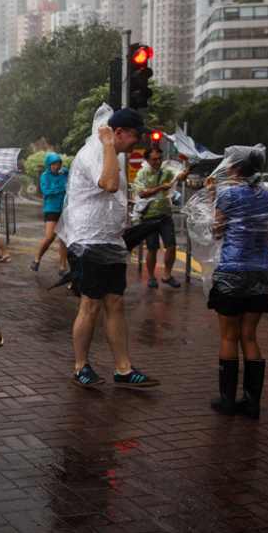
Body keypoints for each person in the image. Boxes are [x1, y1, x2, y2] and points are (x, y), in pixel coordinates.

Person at [56, 107, 158, 389]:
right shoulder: (93, 153)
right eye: (135, 136)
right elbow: (110, 184)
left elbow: (116, 197)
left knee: (115, 302)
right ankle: (80, 366)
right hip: (88, 241)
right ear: (118, 133)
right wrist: (109, 145)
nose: (137, 142)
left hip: (110, 241)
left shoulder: (114, 155)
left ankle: (123, 369)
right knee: (90, 304)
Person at [206, 147, 268, 419]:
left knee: (229, 336)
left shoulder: (228, 193)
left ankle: (226, 401)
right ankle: (252, 403)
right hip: (262, 271)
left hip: (233, 270)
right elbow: (265, 230)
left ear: (234, 168)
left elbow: (217, 230)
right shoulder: (267, 195)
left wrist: (213, 200)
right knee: (249, 335)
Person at [133, 146, 188, 288]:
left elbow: (179, 175)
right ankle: (151, 276)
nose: (157, 162)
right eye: (154, 159)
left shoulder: (166, 171)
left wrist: (184, 174)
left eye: (159, 159)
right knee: (152, 248)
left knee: (171, 246)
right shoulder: (142, 174)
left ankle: (167, 275)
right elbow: (141, 193)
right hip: (149, 216)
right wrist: (160, 188)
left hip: (165, 214)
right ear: (147, 159)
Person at [31, 152, 69, 274]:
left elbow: (73, 178)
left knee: (63, 238)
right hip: (51, 209)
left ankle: (63, 266)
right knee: (50, 237)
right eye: (53, 164)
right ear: (48, 165)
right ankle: (37, 259)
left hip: (64, 208)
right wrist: (61, 188)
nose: (56, 166)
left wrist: (66, 172)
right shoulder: (45, 176)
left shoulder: (64, 173)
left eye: (58, 164)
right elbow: (46, 191)